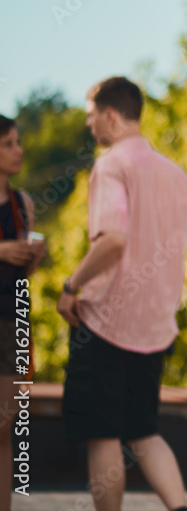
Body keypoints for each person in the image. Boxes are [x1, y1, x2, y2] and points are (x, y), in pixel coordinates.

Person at [57, 76, 187, 511]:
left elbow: (113, 240)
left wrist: (70, 286)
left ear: (111, 116)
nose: (89, 124)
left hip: (107, 322)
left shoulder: (111, 164)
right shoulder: (175, 174)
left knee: (103, 432)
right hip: (155, 324)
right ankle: (182, 508)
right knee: (145, 429)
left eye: (91, 115)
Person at [0, 115, 45, 511]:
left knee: (5, 427)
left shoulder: (22, 203)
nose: (19, 150)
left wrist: (32, 258)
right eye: (9, 143)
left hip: (12, 320)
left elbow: (23, 274)